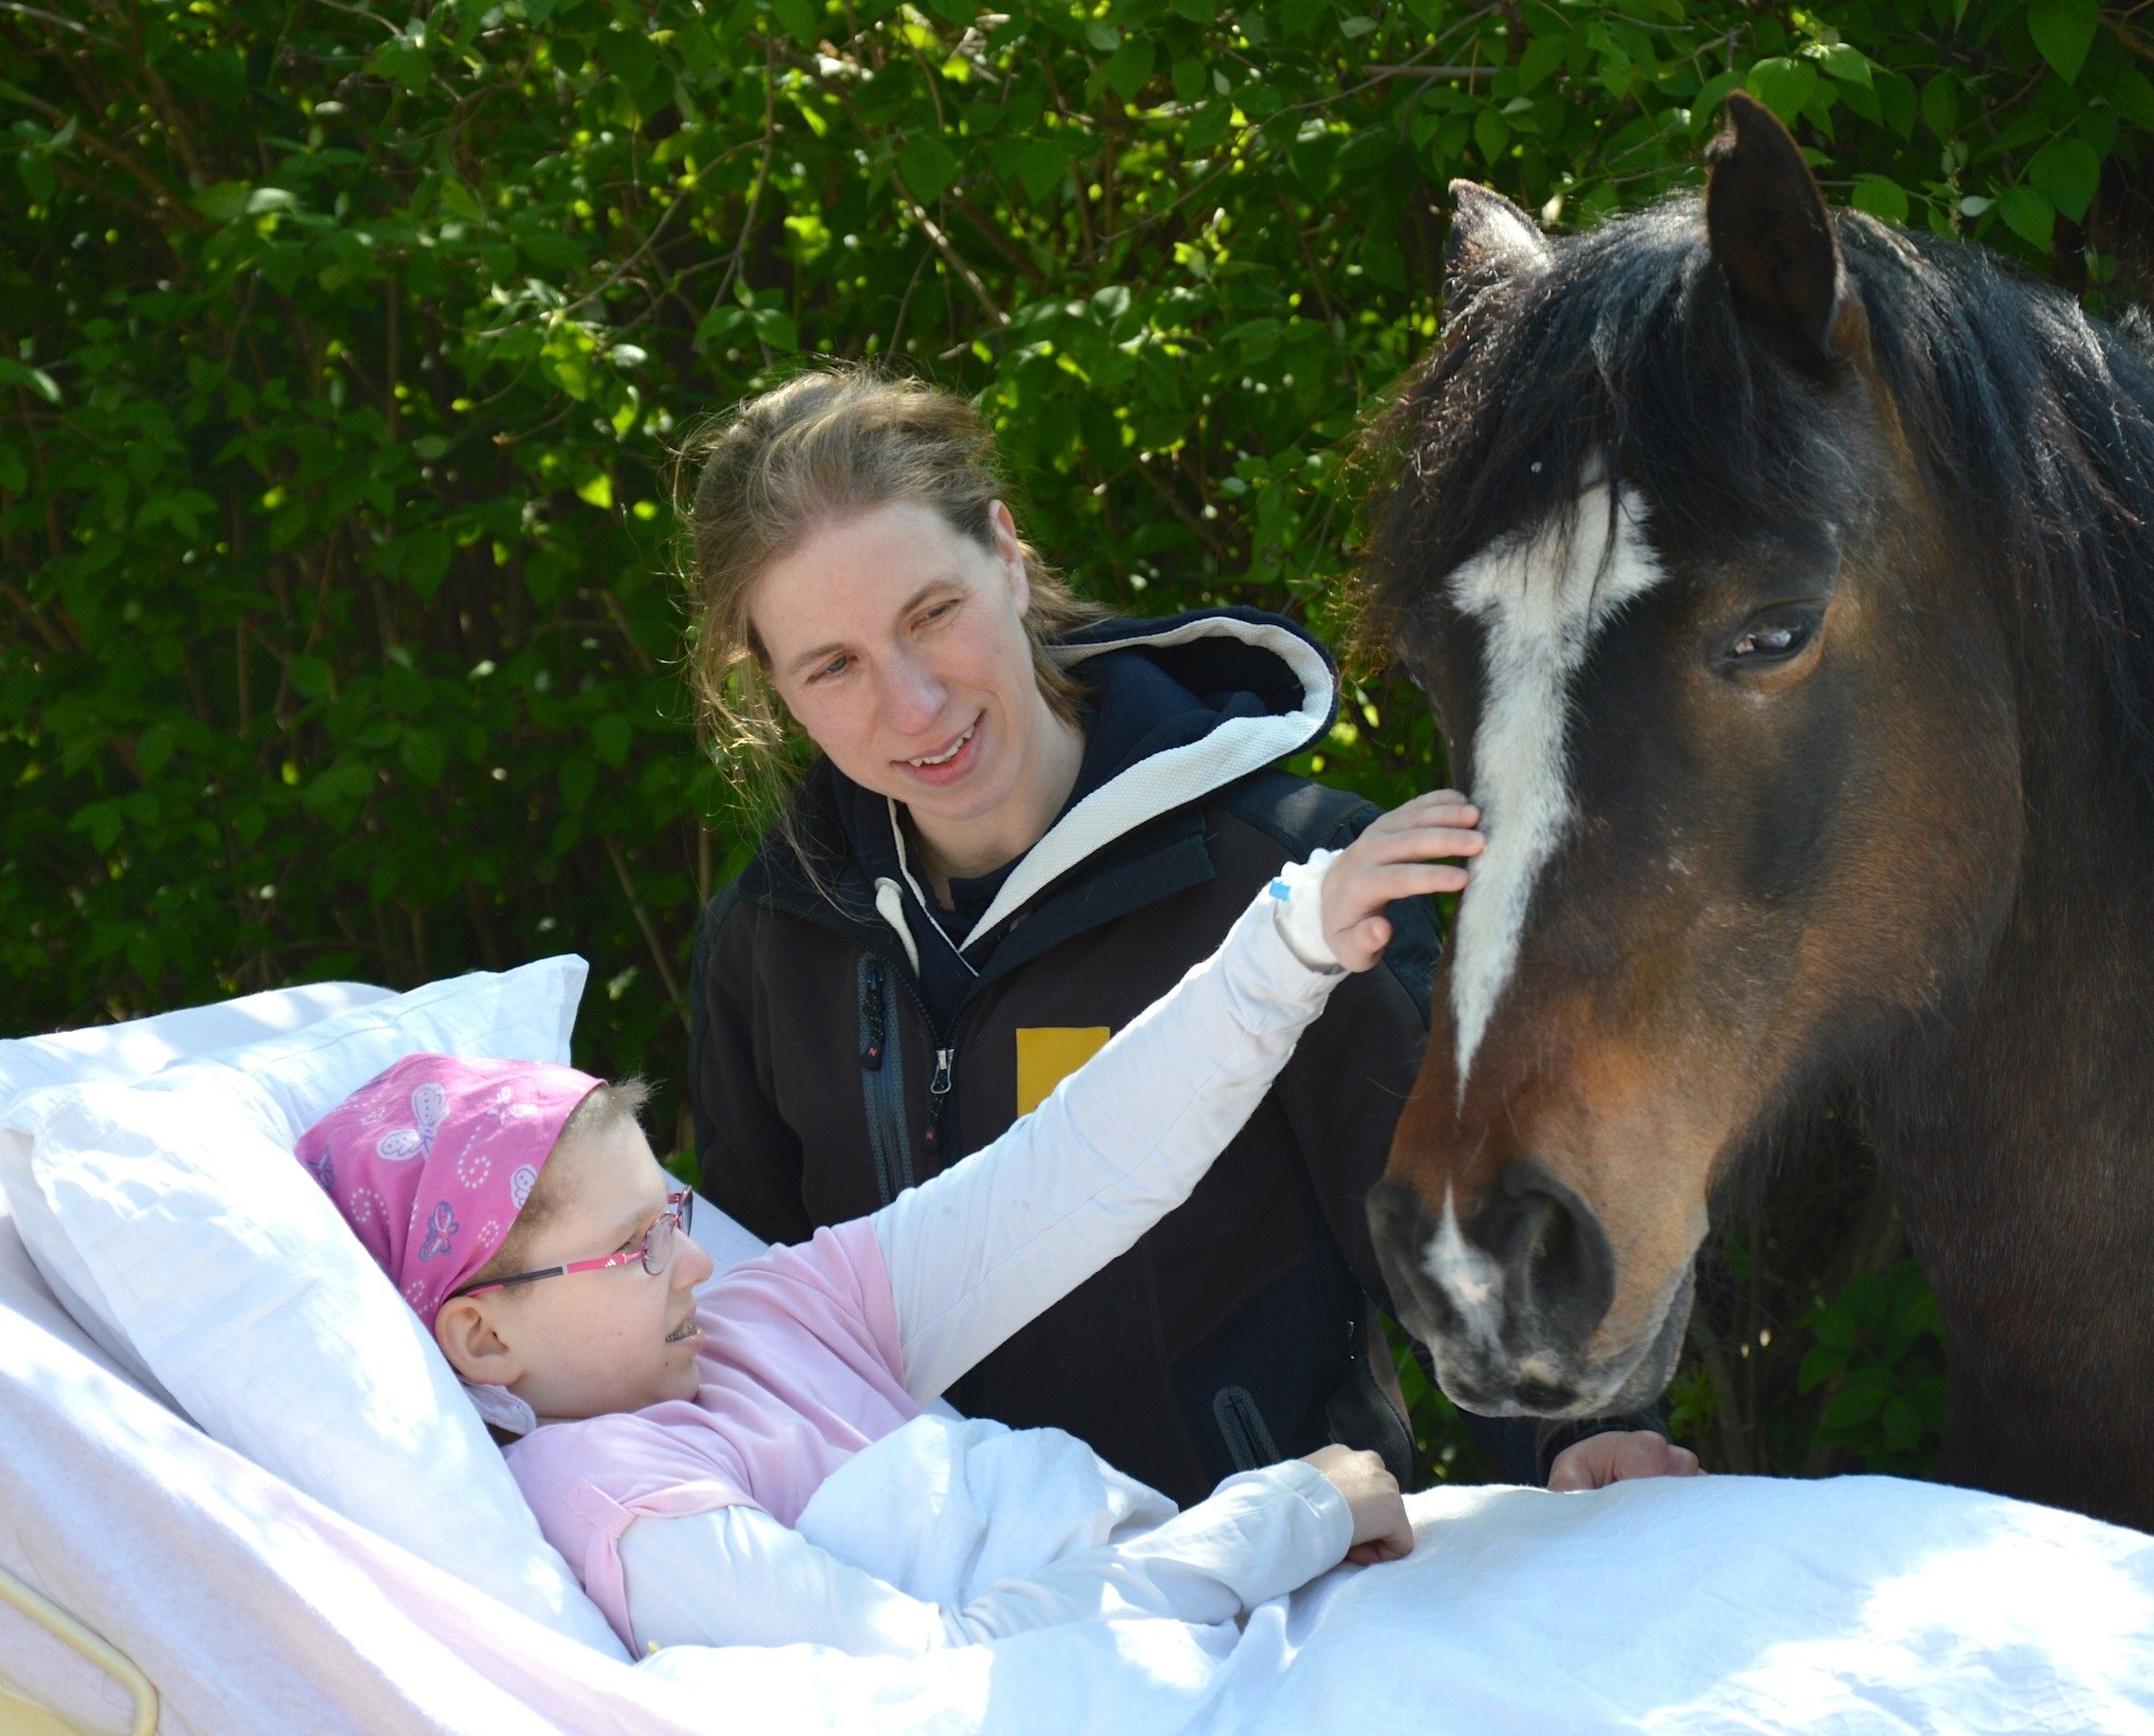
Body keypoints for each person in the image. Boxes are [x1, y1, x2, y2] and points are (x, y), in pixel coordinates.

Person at [299, 799, 1695, 1655]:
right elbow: (938, 1671)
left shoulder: (763, 1316)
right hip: (1191, 1703)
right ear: (478, 1330)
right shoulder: (620, 1498)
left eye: (670, 1208)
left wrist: (1290, 942)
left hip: (1256, 1627)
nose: (694, 1254)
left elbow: (1069, 1172)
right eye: (636, 1244)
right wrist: (1278, 1517)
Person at [677, 365, 1680, 1500]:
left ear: (1006, 554)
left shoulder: (1287, 876)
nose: (912, 703)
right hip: (933, 1629)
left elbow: (1456, 1214)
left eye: (932, 613)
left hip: (1269, 1611)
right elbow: (746, 1338)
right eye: (835, 666)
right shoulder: (771, 943)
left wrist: (1578, 1432)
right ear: (776, 687)